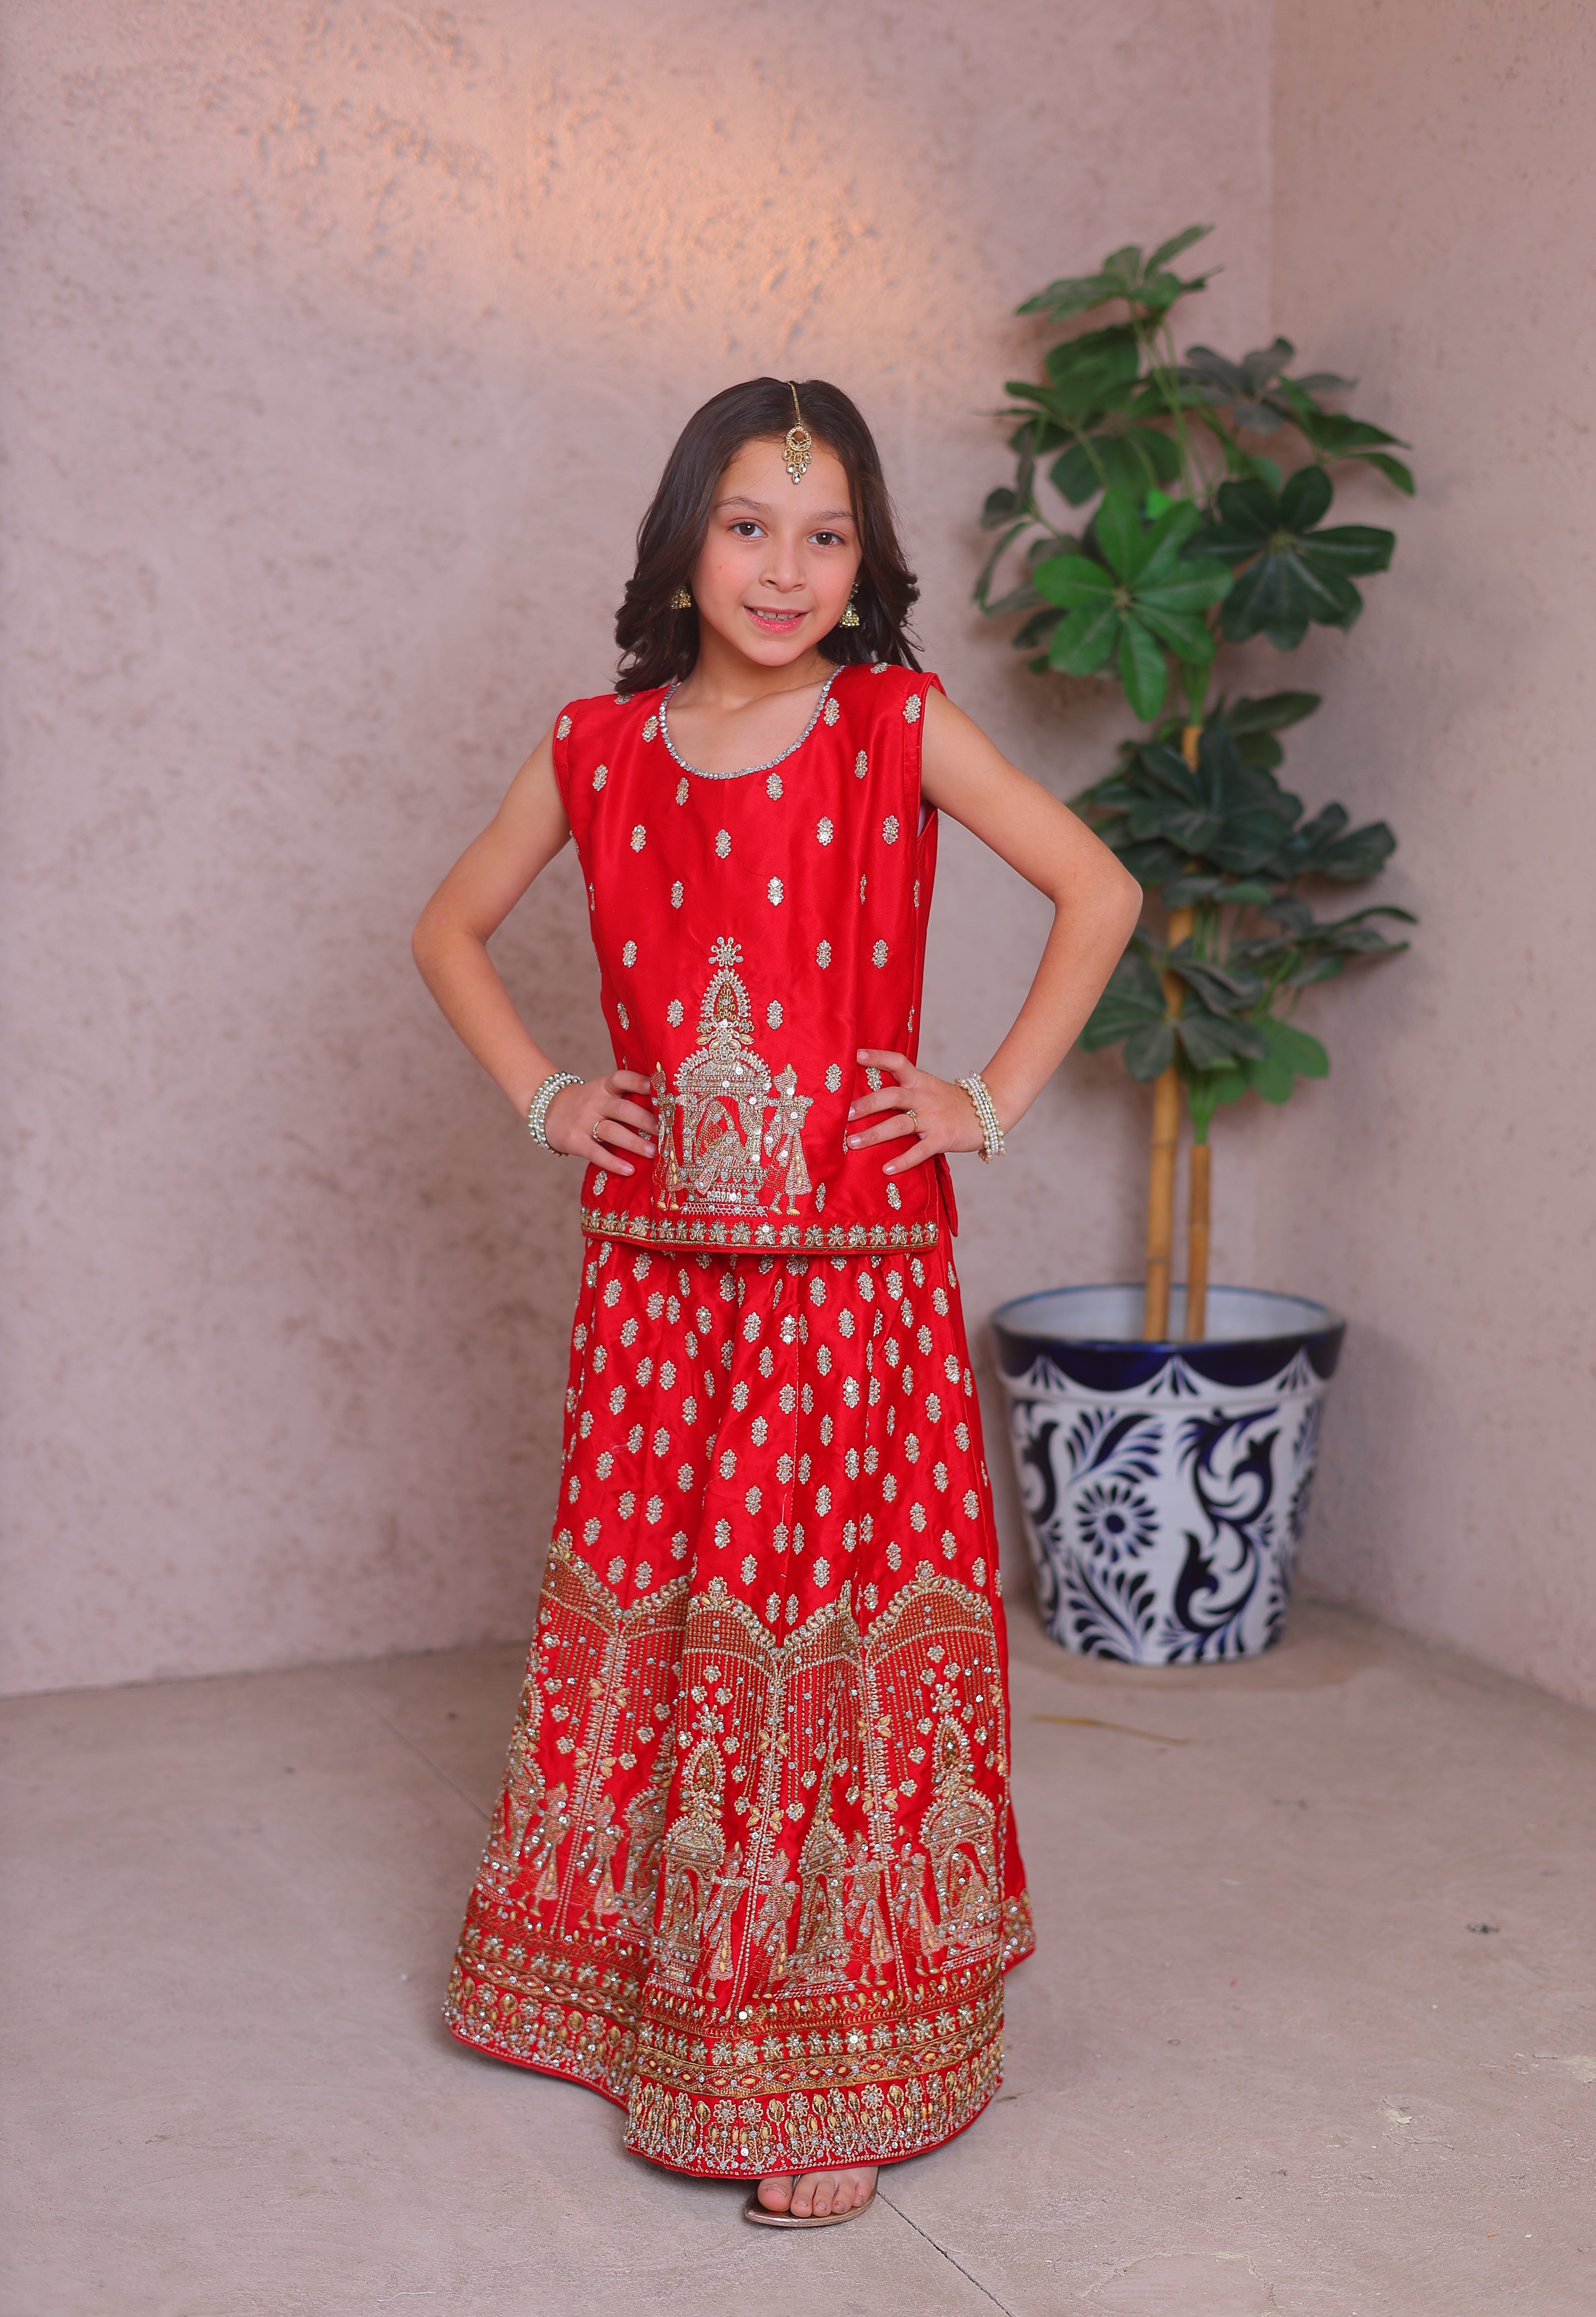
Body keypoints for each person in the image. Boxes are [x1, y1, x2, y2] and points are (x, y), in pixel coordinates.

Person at [412, 378, 1142, 2227]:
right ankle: (627, 1992)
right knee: (663, 1616)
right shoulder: (597, 745)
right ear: (684, 539)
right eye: (749, 524)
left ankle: (833, 2053)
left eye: (827, 535)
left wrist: (980, 1100)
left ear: (865, 562)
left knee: (816, 1642)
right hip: (656, 1287)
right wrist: (546, 1095)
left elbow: (1097, 891)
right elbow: (448, 927)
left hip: (849, 1291)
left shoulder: (893, 724)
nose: (785, 566)